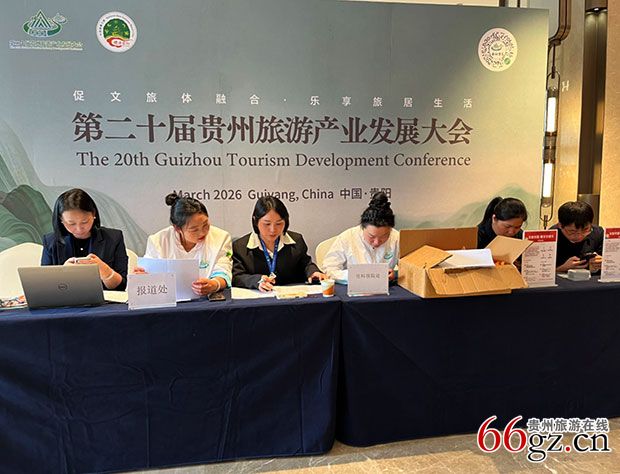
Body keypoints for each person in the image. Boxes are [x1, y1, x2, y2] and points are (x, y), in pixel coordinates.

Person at [144, 193, 232, 296]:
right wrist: (141, 275)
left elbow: (223, 269)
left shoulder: (221, 237)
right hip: (168, 299)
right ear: (177, 228)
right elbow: (149, 272)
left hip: (206, 300)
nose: (202, 232)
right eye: (194, 230)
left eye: (205, 225)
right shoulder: (158, 241)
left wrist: (214, 284)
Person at [232, 196, 326, 291]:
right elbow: (237, 277)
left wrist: (313, 272)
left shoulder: (296, 240)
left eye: (279, 223)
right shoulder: (240, 246)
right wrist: (256, 281)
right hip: (260, 297)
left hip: (292, 296)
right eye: (267, 224)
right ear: (255, 221)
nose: (273, 230)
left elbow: (306, 264)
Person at [41, 188, 128, 290]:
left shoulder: (114, 238)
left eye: (84, 222)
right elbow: (44, 286)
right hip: (65, 299)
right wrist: (63, 273)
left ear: (93, 214)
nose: (79, 229)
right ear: (61, 219)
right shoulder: (50, 242)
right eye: (71, 223)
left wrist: (105, 271)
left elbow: (121, 286)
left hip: (104, 299)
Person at [322, 192, 399, 283]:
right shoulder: (347, 238)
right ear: (362, 227)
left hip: (388, 288)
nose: (377, 242)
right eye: (371, 236)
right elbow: (329, 270)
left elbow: (409, 269)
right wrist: (357, 275)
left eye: (384, 236)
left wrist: (395, 274)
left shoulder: (397, 238)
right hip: (351, 288)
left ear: (391, 229)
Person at [551, 201, 603, 273]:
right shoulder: (551, 238)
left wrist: (602, 263)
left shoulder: (598, 234)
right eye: (572, 231)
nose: (579, 236)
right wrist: (562, 269)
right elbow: (541, 272)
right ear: (560, 225)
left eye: (585, 230)